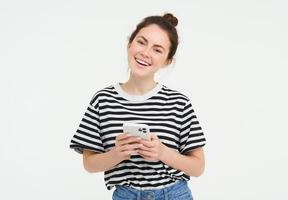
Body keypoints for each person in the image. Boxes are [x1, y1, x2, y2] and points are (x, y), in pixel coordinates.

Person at [69, 13, 206, 200]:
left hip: (174, 195)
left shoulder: (179, 103)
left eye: (157, 50)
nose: (146, 53)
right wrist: (117, 153)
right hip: (125, 195)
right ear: (129, 43)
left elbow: (198, 167)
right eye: (142, 42)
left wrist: (162, 152)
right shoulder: (103, 100)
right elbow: (89, 164)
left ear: (167, 61)